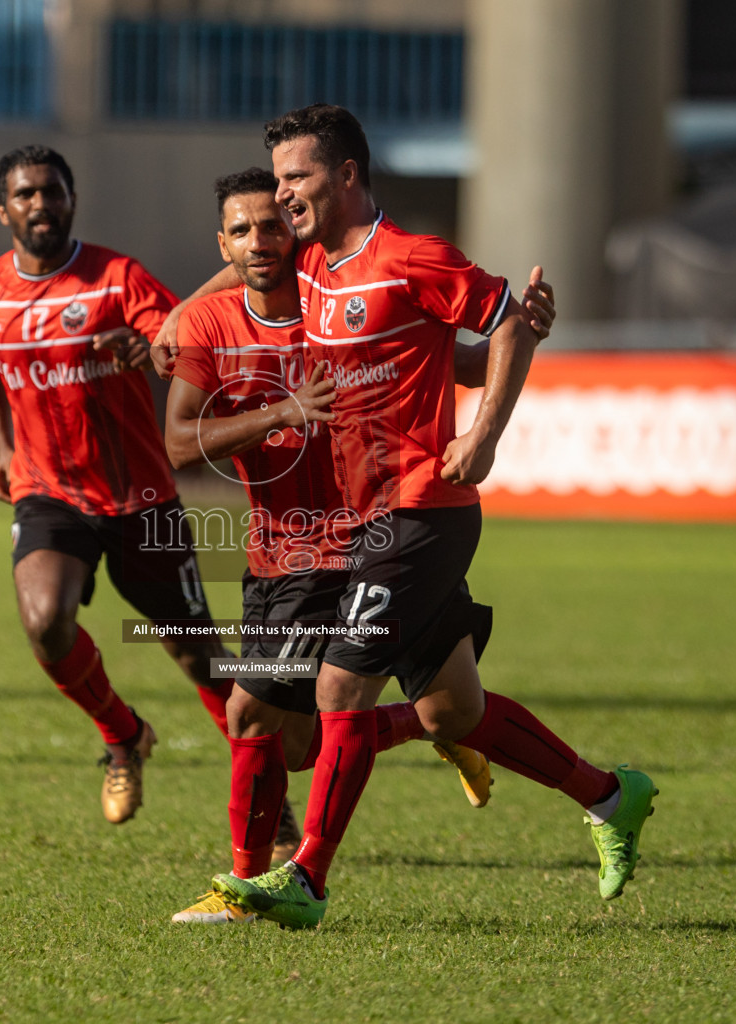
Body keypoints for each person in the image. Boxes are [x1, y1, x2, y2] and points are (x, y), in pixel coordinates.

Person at [164, 105, 655, 929]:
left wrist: (484, 433)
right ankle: (611, 795)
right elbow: (262, 271)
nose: (282, 199)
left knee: (338, 687)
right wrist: (183, 314)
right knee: (449, 712)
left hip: (423, 508)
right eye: (277, 182)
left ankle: (305, 879)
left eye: (296, 179)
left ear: (347, 174)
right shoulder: (317, 262)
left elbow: (502, 323)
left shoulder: (411, 257)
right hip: (363, 520)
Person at [163, 168, 496, 924]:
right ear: (223, 243)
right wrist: (273, 403)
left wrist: (518, 335)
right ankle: (441, 733)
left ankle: (243, 890)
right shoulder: (213, 325)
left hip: (355, 542)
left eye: (273, 224)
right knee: (325, 738)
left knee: (249, 713)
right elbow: (179, 444)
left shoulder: (335, 296)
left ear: (299, 229)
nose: (259, 241)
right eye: (241, 231)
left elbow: (450, 357)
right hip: (271, 555)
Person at [0, 145, 238, 824]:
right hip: (50, 491)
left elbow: (183, 344)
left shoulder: (117, 278)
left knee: (199, 655)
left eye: (52, 191)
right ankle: (122, 735)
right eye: (25, 195)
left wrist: (150, 353)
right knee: (45, 621)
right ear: (3, 210)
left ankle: (267, 797)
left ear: (71, 199)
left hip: (143, 499)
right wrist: (3, 445)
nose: (40, 204)